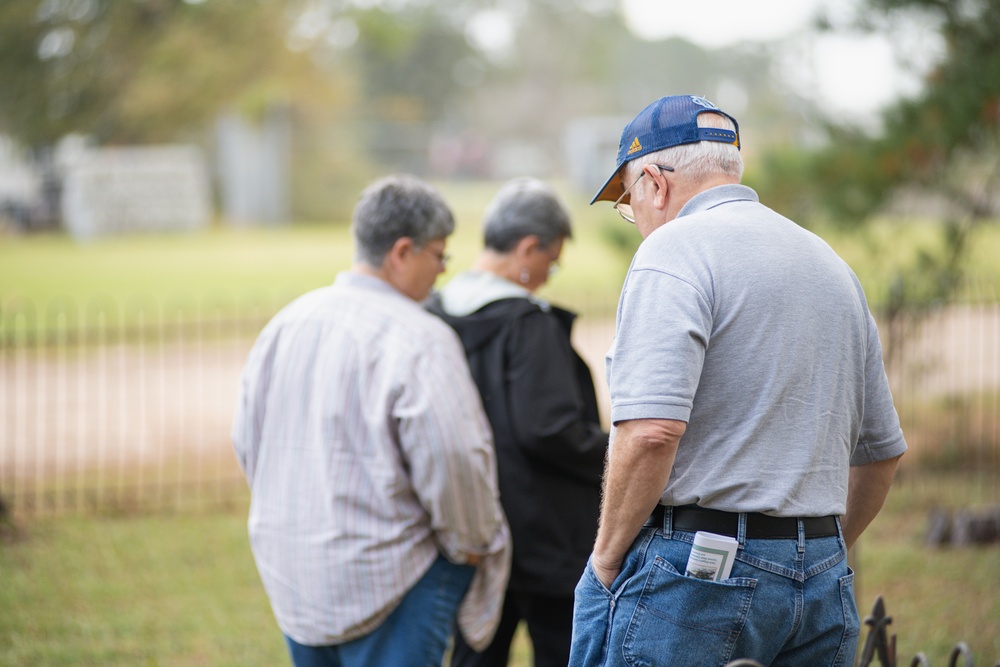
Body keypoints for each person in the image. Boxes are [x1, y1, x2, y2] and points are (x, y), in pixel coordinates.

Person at [570, 95, 908, 667]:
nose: (638, 221)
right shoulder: (829, 263)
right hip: (824, 576)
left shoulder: (672, 250)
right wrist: (817, 555)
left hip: (701, 574)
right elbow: (881, 454)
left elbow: (652, 430)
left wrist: (605, 562)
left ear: (653, 182)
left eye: (629, 203)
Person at [231, 174, 511, 667]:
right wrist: (472, 545)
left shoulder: (287, 322)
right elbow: (454, 459)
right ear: (403, 252)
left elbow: (247, 441)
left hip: (296, 574)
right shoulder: (420, 336)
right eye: (439, 256)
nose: (442, 272)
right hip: (394, 578)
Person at [425, 178, 608, 667]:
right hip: (543, 533)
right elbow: (549, 429)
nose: (550, 273)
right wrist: (613, 449)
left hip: (469, 524)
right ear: (529, 247)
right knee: (563, 651)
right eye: (551, 259)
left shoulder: (433, 312)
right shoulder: (528, 326)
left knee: (475, 650)